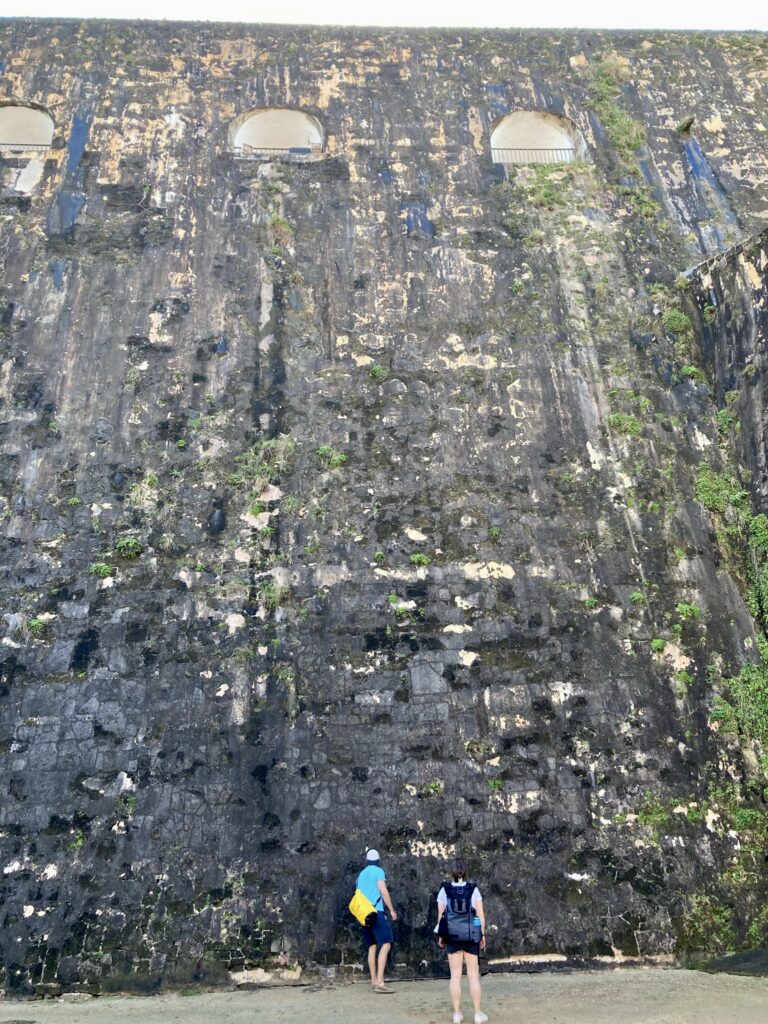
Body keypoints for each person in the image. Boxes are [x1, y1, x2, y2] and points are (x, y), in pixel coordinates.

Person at [437, 859, 488, 1024]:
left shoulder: (444, 891)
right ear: (465, 872)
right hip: (471, 936)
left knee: (455, 976)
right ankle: (478, 1014)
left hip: (452, 936)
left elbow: (441, 918)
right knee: (473, 976)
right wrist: (481, 935)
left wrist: (441, 936)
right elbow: (480, 915)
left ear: (451, 873)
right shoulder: (474, 890)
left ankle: (457, 1014)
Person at [357, 847, 398, 993]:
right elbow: (384, 891)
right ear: (378, 861)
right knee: (386, 944)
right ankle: (380, 982)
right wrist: (392, 910)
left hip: (364, 914)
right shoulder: (378, 871)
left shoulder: (361, 875)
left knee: (372, 946)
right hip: (377, 913)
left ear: (366, 860)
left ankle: (373, 980)